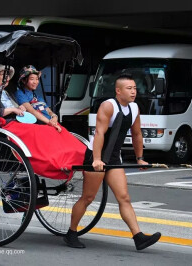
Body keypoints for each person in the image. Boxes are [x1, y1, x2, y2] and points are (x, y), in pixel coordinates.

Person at [64, 73, 161, 250]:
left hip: (114, 158)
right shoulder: (108, 106)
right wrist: (97, 159)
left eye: (134, 88)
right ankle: (71, 233)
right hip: (96, 155)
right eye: (129, 88)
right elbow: (99, 133)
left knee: (124, 197)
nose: (133, 92)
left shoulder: (134, 108)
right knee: (88, 198)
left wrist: (140, 158)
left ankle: (138, 237)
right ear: (118, 91)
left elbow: (137, 134)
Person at [0, 64, 86, 180]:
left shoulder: (7, 93)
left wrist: (20, 108)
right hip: (7, 123)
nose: (7, 78)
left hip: (18, 120)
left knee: (56, 130)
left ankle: (79, 155)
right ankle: (52, 162)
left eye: (7, 75)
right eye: (3, 75)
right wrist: (14, 109)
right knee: (39, 131)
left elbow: (25, 108)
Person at [14, 65, 61, 132]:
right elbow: (32, 111)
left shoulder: (37, 96)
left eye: (37, 79)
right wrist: (49, 123)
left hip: (50, 124)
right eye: (32, 79)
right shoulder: (20, 94)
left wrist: (54, 117)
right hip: (39, 126)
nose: (35, 82)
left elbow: (48, 110)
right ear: (24, 81)